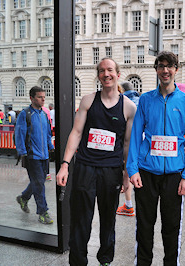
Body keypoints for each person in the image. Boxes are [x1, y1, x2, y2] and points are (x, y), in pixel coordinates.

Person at [56, 58, 136, 266]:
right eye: (102, 71)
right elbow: (76, 132)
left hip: (111, 170)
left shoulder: (128, 107)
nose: (106, 74)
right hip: (85, 167)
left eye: (110, 70)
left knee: (108, 218)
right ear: (98, 75)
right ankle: (78, 261)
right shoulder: (88, 100)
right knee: (81, 218)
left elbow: (127, 144)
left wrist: (126, 175)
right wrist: (65, 164)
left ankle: (105, 260)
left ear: (118, 74)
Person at [126, 51, 185, 265]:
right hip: (146, 173)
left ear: (176, 69)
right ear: (156, 69)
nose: (165, 70)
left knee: (171, 227)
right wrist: (133, 169)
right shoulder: (146, 100)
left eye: (169, 66)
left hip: (175, 175)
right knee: (145, 226)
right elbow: (136, 135)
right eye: (161, 66)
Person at [14, 86, 54, 224]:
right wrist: (23, 153)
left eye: (44, 97)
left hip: (44, 156)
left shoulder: (44, 114)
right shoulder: (25, 114)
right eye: (39, 97)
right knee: (39, 185)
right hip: (32, 156)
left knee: (39, 182)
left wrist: (50, 147)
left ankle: (23, 198)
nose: (43, 99)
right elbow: (19, 135)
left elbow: (48, 134)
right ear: (31, 98)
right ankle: (43, 212)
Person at [116, 81, 140, 217]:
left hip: (128, 143)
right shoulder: (140, 100)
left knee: (127, 172)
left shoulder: (124, 103)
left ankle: (129, 205)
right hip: (142, 146)